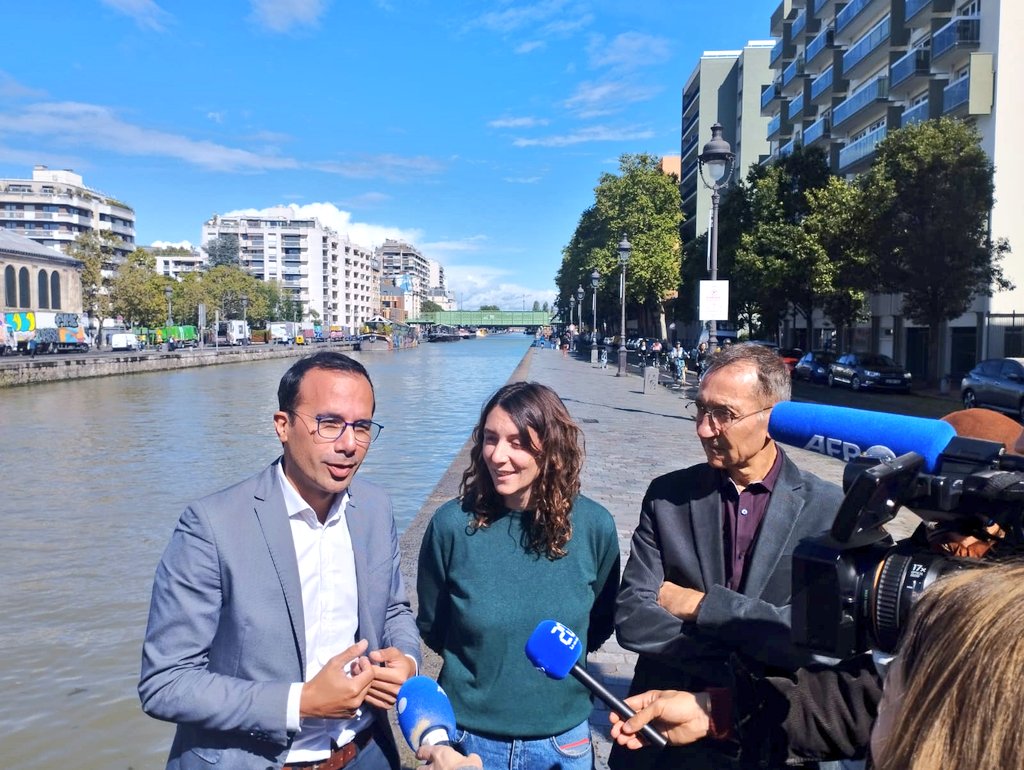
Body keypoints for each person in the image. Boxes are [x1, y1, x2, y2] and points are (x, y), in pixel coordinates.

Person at [139, 351, 420, 770]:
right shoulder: (212, 526)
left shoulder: (375, 507)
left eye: (361, 427)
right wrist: (301, 701)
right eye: (329, 424)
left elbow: (394, 608)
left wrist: (407, 660)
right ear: (283, 426)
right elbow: (166, 683)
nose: (348, 444)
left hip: (366, 753)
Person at [611, 343, 843, 770]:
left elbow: (816, 643)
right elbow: (632, 617)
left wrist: (700, 606)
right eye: (700, 409)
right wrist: (746, 659)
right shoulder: (668, 497)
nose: (703, 428)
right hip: (664, 742)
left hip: (770, 740)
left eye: (723, 414)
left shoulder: (829, 510)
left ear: (774, 418)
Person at [417, 381, 621, 770]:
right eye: (490, 439)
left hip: (563, 742)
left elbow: (598, 623)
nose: (498, 455)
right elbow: (433, 624)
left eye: (518, 442)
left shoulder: (595, 527)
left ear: (552, 449)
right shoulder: (451, 526)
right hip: (467, 742)